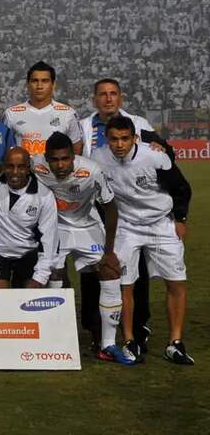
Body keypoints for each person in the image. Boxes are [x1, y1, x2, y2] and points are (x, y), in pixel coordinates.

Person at [93, 116, 193, 365]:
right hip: (127, 227)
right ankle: (129, 340)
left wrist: (180, 218)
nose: (119, 144)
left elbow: (182, 187)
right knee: (124, 285)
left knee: (176, 283)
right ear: (107, 139)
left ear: (134, 138)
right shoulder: (98, 158)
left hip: (161, 222)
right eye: (114, 139)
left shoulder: (154, 156)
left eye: (125, 139)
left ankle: (175, 343)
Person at [33, 132, 133, 364]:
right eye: (54, 159)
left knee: (110, 272)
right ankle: (57, 340)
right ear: (45, 158)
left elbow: (110, 208)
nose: (60, 165)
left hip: (87, 225)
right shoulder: (35, 165)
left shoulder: (92, 171)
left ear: (73, 156)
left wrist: (109, 252)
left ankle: (108, 344)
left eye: (65, 159)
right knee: (54, 276)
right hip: (55, 227)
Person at [0, 148, 58, 290]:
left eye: (21, 167)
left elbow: (49, 239)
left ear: (29, 169)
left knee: (30, 298)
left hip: (27, 253)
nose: (15, 172)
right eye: (10, 166)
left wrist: (40, 277)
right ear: (3, 166)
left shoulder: (44, 195)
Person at [3, 61, 83, 156]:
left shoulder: (68, 113)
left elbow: (77, 147)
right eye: (35, 81)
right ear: (28, 84)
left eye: (45, 81)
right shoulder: (11, 114)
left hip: (56, 170)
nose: (39, 86)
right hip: (24, 170)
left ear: (53, 85)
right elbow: (4, 148)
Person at [80, 78, 159, 157]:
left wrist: (158, 148)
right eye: (103, 94)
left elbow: (159, 150)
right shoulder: (81, 127)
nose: (109, 99)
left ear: (121, 100)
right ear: (94, 101)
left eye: (113, 94)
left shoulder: (140, 123)